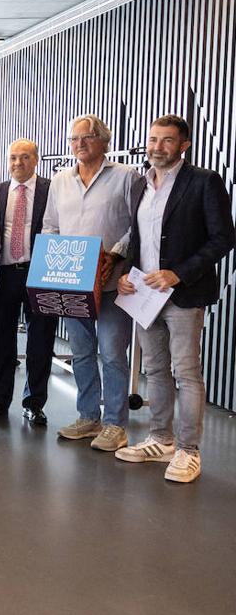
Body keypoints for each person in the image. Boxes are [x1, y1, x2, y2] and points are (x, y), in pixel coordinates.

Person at [116, 114, 235, 482]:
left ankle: (188, 450)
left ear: (183, 144)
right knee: (154, 370)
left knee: (186, 372)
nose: (157, 147)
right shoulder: (139, 185)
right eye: (153, 139)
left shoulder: (204, 182)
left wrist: (178, 273)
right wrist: (125, 272)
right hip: (144, 295)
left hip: (183, 294)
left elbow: (223, 238)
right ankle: (161, 439)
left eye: (167, 140)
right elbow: (137, 237)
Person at [44, 114, 141, 452]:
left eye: (87, 138)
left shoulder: (126, 178)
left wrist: (115, 255)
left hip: (111, 281)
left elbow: (137, 227)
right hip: (71, 282)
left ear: (104, 141)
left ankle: (116, 423)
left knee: (113, 352)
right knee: (82, 352)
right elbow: (50, 226)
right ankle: (88, 416)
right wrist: (50, 264)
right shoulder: (60, 180)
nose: (79, 144)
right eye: (74, 139)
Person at [0, 139, 56, 426]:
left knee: (41, 340)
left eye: (24, 157)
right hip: (4, 274)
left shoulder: (51, 191)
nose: (18, 163)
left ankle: (34, 403)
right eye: (13, 158)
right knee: (1, 340)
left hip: (40, 274)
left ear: (35, 159)